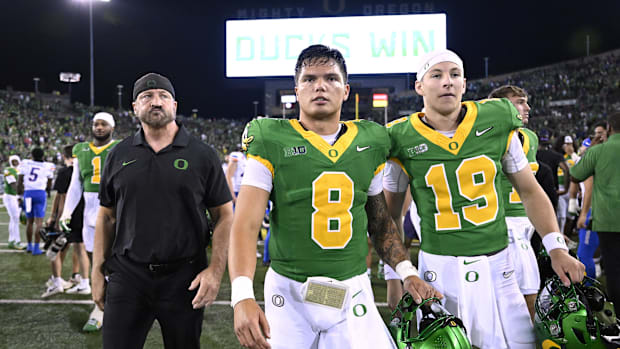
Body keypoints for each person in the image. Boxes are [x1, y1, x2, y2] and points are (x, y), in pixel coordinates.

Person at [229, 45, 439, 349]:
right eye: (310, 79)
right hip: (289, 291)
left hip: (351, 286)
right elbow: (246, 225)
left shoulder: (371, 140)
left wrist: (406, 272)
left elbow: (379, 222)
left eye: (331, 78)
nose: (320, 86)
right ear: (297, 91)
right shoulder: (269, 138)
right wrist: (242, 296)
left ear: (345, 91)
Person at [383, 49, 584, 348]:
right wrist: (395, 275)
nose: (447, 82)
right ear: (420, 86)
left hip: (499, 266)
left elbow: (529, 191)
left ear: (464, 84)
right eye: (436, 75)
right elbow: (390, 215)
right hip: (439, 273)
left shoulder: (497, 118)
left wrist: (556, 247)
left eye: (454, 74)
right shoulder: (399, 137)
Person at [92, 72, 233, 349]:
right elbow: (106, 216)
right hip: (128, 274)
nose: (155, 102)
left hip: (184, 277)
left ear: (174, 105)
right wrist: (97, 272)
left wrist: (215, 272)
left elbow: (225, 215)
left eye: (163, 96)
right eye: (146, 97)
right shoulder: (118, 154)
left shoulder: (202, 154)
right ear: (135, 107)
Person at [59, 112, 119, 332]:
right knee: (97, 263)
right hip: (89, 213)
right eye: (96, 124)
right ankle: (100, 307)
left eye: (103, 124)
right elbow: (75, 185)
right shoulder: (81, 150)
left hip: (115, 211)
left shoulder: (121, 148)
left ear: (112, 127)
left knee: (118, 263)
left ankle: (116, 306)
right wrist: (66, 213)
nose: (99, 127)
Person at [487, 85, 540, 320]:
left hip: (525, 224)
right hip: (502, 225)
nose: (526, 107)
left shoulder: (530, 138)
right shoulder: (488, 137)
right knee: (527, 299)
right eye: (520, 102)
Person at [570, 111, 620, 313]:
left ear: (609, 128)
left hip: (607, 220)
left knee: (614, 271)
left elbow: (575, 174)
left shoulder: (599, 151)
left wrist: (592, 149)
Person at [41, 145, 85, 298]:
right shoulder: (84, 169)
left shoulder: (65, 171)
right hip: (82, 214)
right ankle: (77, 276)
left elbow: (61, 196)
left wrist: (55, 217)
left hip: (67, 215)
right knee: (79, 247)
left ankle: (57, 281)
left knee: (55, 247)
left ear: (65, 156)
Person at [17, 147, 55, 255]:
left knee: (29, 222)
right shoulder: (48, 166)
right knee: (39, 223)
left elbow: (20, 181)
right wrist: (47, 192)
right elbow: (49, 182)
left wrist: (19, 196)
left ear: (32, 156)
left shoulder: (25, 163)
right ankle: (36, 248)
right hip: (39, 193)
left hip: (28, 194)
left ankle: (29, 246)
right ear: (43, 156)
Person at [3, 155, 25, 250]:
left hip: (16, 197)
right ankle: (15, 241)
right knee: (15, 218)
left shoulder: (19, 170)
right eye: (13, 161)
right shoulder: (8, 170)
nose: (15, 163)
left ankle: (13, 240)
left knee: (14, 219)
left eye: (16, 161)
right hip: (10, 196)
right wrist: (21, 195)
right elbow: (13, 185)